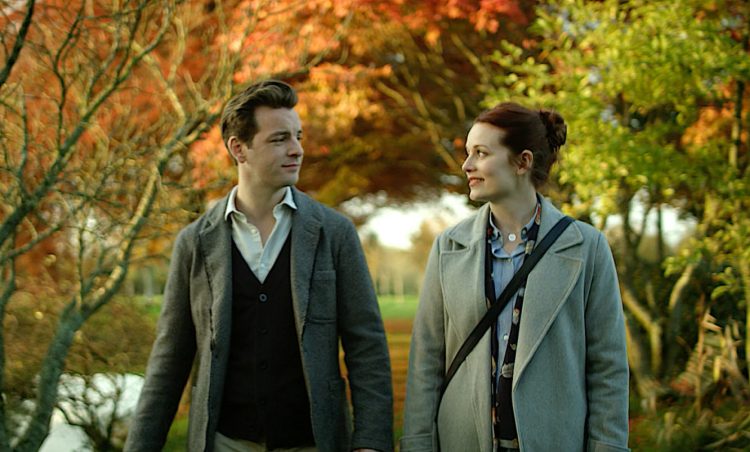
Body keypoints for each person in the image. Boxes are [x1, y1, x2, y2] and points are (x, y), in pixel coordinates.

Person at [125, 80, 393, 452]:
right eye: (280, 138)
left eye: (298, 136)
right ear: (239, 148)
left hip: (312, 442)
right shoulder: (195, 242)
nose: (297, 149)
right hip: (225, 443)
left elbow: (367, 346)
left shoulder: (334, 233)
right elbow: (170, 357)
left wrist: (371, 441)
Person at [400, 102, 629, 451]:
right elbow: (425, 365)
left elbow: (608, 368)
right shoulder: (448, 246)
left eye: (481, 153)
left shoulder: (587, 247)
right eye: (467, 153)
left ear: (523, 161)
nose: (467, 165)